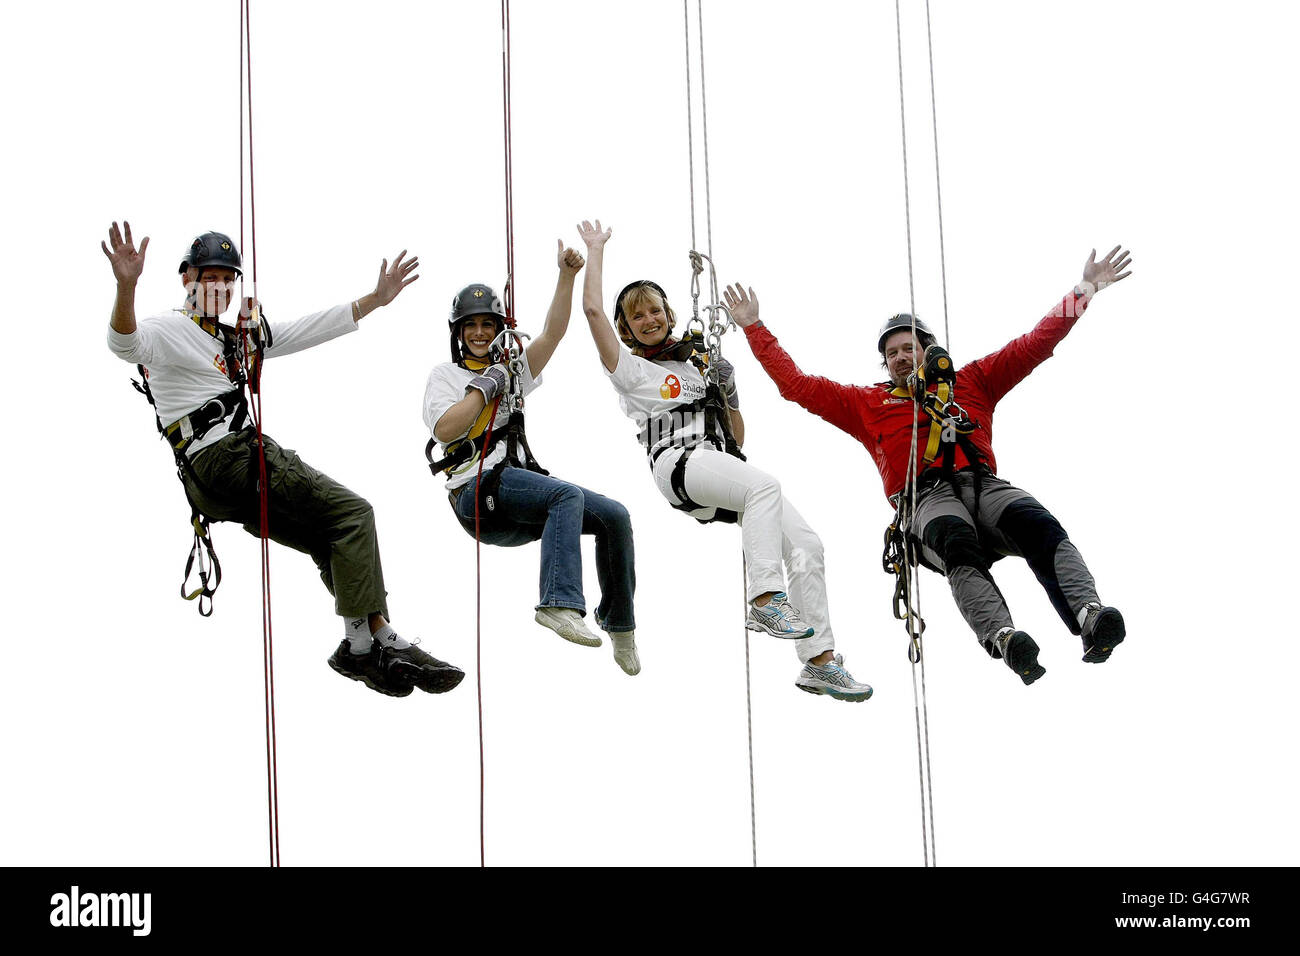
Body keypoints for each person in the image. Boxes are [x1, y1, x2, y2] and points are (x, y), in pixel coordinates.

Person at [732, 246, 1133, 685]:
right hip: (926, 499)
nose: (901, 357)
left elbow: (1035, 343)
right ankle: (1001, 635)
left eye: (909, 348)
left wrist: (1085, 289)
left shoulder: (974, 381)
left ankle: (1089, 613)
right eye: (892, 354)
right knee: (955, 542)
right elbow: (797, 386)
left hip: (983, 485)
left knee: (1038, 524)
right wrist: (754, 327)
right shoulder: (867, 404)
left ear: (929, 350)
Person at [104, 221, 463, 699]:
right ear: (187, 279)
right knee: (354, 514)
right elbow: (124, 344)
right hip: (229, 460)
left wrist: (373, 300)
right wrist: (126, 285)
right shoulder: (172, 329)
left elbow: (307, 329)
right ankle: (368, 642)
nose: (220, 287)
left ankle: (369, 639)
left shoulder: (236, 340)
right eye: (209, 277)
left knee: (328, 536)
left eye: (228, 279)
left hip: (214, 487)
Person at [576, 220, 872, 702]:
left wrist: (727, 390)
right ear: (628, 330)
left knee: (806, 545)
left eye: (654, 310)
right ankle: (764, 599)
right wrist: (595, 250)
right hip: (678, 463)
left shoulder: (695, 366)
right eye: (637, 317)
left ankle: (819, 663)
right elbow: (592, 313)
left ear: (668, 313)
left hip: (715, 463)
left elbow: (735, 439)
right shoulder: (632, 370)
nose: (649, 319)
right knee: (765, 487)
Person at [423, 241, 641, 676]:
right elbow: (446, 429)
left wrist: (566, 275)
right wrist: (488, 383)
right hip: (477, 494)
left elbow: (552, 334)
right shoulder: (447, 376)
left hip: (514, 495)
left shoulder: (510, 371)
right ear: (458, 332)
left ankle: (620, 624)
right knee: (564, 496)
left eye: (488, 325)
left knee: (614, 516)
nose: (481, 333)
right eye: (472, 326)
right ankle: (558, 602)